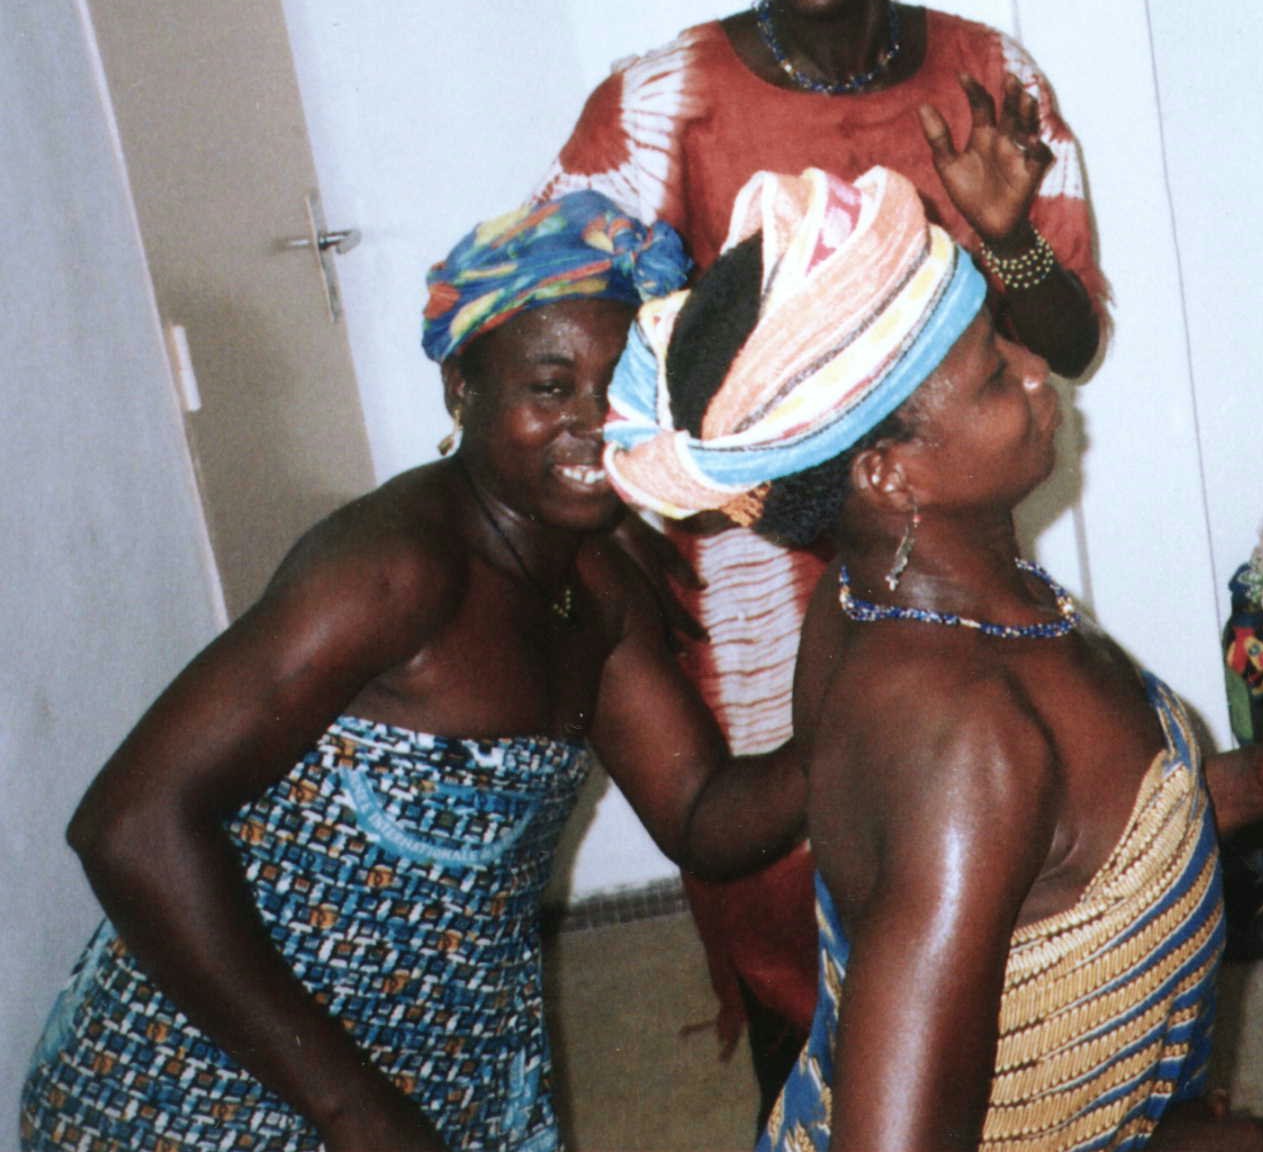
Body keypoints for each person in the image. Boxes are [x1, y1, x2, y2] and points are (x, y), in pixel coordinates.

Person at [602, 164, 1263, 1151]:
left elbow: (1054, 855)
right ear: (888, 473)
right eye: (995, 368)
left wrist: (1247, 787)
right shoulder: (965, 740)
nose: (1038, 369)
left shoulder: (905, 600)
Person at [533, 0, 1105, 1100]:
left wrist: (1012, 234)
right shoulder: (663, 98)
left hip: (939, 542)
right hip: (745, 572)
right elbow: (565, 327)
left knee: (977, 836)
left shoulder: (986, 75)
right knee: (782, 863)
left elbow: (1067, 338)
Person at [19, 192, 804, 1152]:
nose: (598, 422)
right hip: (238, 1058)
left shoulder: (596, 580)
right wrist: (353, 1110)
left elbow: (700, 817)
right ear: (460, 392)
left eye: (626, 381)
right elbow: (127, 825)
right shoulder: (390, 572)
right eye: (550, 388)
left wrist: (850, 720)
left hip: (447, 1044)